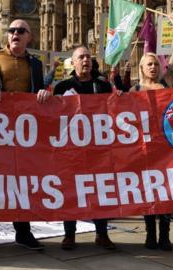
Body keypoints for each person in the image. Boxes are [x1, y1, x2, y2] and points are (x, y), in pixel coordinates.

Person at [0, 19, 51, 253]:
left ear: (29, 37)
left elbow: (37, 93)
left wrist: (44, 94)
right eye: (12, 30)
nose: (15, 33)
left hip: (24, 134)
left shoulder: (35, 64)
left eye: (21, 31)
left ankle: (23, 233)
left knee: (22, 184)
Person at [53, 46, 116, 250]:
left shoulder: (102, 85)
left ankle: (102, 234)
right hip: (72, 149)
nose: (86, 60)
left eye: (88, 56)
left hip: (98, 149)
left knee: (100, 191)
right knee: (70, 191)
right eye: (81, 57)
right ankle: (69, 235)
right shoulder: (63, 87)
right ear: (74, 62)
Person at [128, 13, 173, 251]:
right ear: (142, 67)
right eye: (149, 64)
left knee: (167, 193)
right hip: (145, 148)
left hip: (167, 146)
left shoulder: (166, 83)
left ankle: (165, 235)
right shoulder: (135, 89)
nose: (153, 66)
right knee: (149, 192)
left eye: (156, 64)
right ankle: (150, 234)